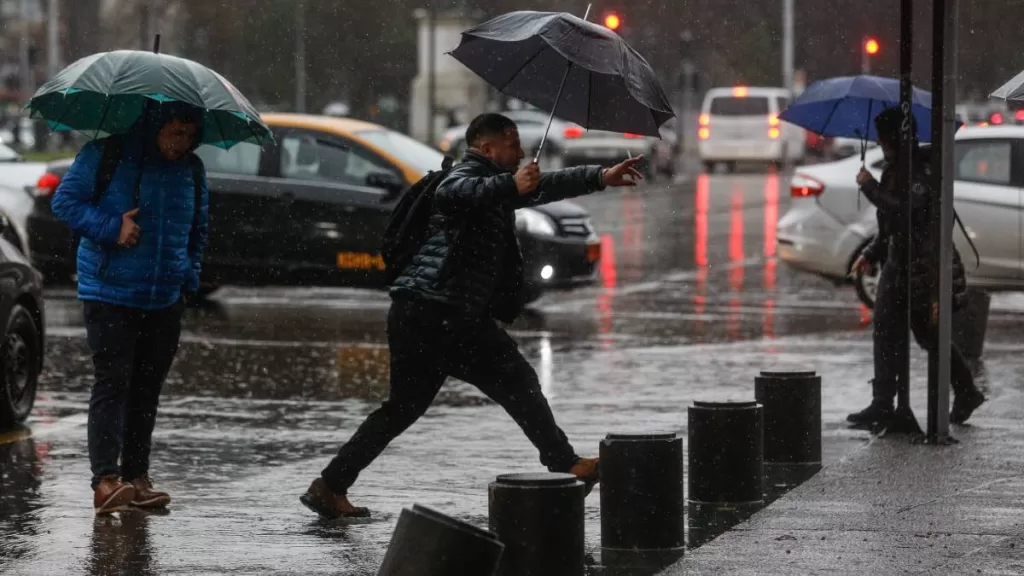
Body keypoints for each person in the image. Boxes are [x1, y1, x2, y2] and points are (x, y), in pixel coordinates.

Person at [301, 113, 645, 518]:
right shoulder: (468, 177)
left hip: (420, 312)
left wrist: (600, 176)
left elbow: (545, 186)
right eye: (512, 147)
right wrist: (507, 184)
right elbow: (453, 193)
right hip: (445, 313)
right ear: (488, 148)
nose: (519, 156)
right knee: (517, 380)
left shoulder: (496, 186)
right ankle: (565, 462)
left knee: (402, 409)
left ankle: (330, 485)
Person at [51, 102, 209, 515]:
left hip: (164, 298)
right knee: (113, 383)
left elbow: (198, 229)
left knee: (146, 390)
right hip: (109, 291)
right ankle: (105, 481)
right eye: (175, 133)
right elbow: (65, 203)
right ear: (156, 125)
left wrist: (187, 281)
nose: (181, 144)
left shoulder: (191, 169)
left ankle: (136, 478)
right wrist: (111, 226)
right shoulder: (107, 154)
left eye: (189, 137)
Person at [846, 107, 985, 427]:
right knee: (884, 328)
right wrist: (871, 252)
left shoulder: (919, 170)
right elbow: (892, 224)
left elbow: (908, 212)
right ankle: (883, 402)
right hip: (897, 263)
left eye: (884, 138)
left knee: (930, 334)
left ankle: (965, 391)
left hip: (923, 265)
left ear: (896, 137)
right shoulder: (894, 169)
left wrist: (869, 188)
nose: (880, 144)